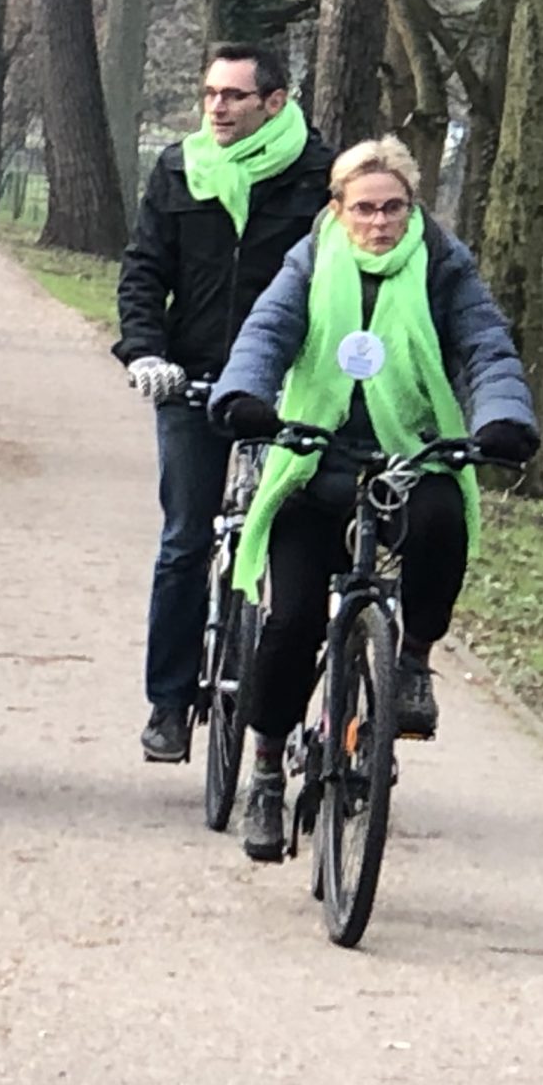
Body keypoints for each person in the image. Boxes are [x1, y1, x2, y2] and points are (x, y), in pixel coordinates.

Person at [209, 136, 539, 861]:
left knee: (441, 519)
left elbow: (485, 345)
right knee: (292, 620)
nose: (380, 222)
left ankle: (412, 659)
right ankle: (266, 771)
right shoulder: (309, 261)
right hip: (313, 456)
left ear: (412, 207)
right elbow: (267, 335)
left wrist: (502, 418)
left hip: (407, 454)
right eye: (364, 208)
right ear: (338, 208)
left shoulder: (444, 264)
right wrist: (245, 396)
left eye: (393, 208)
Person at [115, 43, 334, 764]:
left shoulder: (322, 178)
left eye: (234, 96)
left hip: (288, 388)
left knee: (304, 552)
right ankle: (170, 703)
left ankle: (304, 714)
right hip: (194, 378)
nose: (216, 107)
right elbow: (146, 268)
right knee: (186, 540)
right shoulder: (180, 167)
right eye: (209, 93)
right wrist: (146, 352)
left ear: (275, 102)